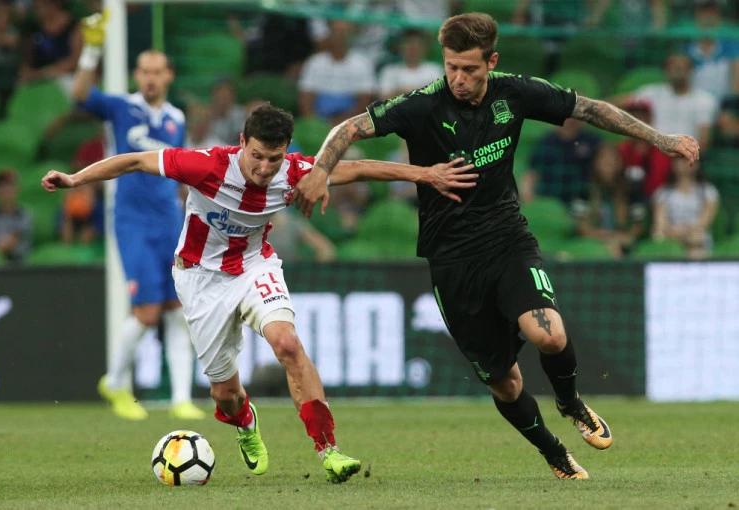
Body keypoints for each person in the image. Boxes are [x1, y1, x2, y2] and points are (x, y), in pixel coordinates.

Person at [293, 12, 700, 479]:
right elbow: (348, 128)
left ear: (491, 62)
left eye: (469, 69)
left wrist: (661, 138)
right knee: (505, 382)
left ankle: (571, 403)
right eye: (451, 67)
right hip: (451, 259)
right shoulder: (423, 105)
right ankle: (554, 452)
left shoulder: (515, 92)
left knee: (550, 335)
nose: (458, 78)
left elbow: (588, 109)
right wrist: (321, 170)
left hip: (507, 239)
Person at [40, 103, 476, 483]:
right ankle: (246, 423)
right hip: (200, 278)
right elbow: (134, 160)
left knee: (287, 343)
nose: (265, 168)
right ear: (241, 143)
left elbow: (361, 168)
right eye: (257, 156)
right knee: (225, 396)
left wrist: (426, 174)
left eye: (274, 158)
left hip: (254, 266)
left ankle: (329, 450)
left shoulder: (295, 172)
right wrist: (75, 179)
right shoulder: (206, 165)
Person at [71, 12, 204, 420]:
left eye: (156, 72)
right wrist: (91, 50)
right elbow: (80, 94)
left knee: (177, 309)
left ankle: (181, 399)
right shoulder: (121, 107)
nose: (150, 78)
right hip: (132, 221)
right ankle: (114, 383)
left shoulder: (176, 118)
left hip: (170, 219)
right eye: (144, 71)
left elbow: (178, 172)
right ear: (136, 75)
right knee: (146, 312)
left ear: (168, 75)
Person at [651, 158, 719, 259]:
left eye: (688, 159)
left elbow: (704, 222)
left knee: (697, 238)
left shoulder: (708, 192)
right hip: (671, 235)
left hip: (696, 237)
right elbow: (660, 224)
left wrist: (685, 233)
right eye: (680, 160)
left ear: (697, 164)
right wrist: (676, 233)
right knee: (658, 235)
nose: (684, 164)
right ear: (673, 164)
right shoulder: (662, 193)